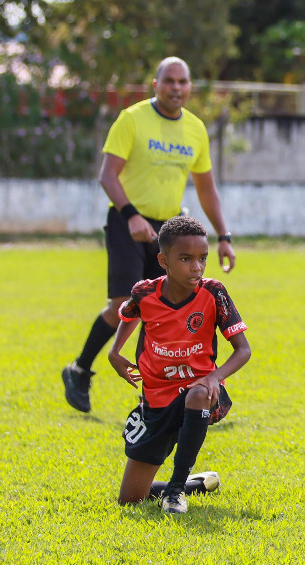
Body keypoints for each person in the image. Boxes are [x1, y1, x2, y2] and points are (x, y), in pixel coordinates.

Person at [62, 57, 236, 415]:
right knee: (123, 303)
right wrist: (131, 216)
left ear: (190, 87)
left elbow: (206, 188)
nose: (176, 88)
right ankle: (79, 369)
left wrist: (224, 235)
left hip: (169, 230)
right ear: (155, 84)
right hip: (126, 221)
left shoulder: (195, 129)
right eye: (169, 81)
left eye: (183, 82)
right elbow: (108, 175)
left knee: (165, 307)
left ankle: (155, 394)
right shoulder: (132, 119)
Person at [106, 216, 250, 515]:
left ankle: (174, 491)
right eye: (186, 259)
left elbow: (243, 350)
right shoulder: (145, 293)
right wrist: (114, 351)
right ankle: (190, 484)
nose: (196, 267)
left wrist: (214, 377)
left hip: (200, 391)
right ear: (164, 261)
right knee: (130, 499)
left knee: (198, 394)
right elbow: (129, 314)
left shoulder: (214, 292)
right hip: (156, 399)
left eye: (202, 258)